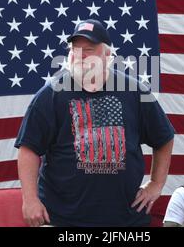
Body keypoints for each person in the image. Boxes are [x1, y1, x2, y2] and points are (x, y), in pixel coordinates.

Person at [15, 19, 175, 227]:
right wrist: (30, 199)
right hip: (64, 219)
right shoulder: (50, 94)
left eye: (89, 49)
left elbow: (163, 137)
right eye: (75, 49)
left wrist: (156, 183)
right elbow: (28, 149)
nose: (81, 56)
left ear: (107, 55)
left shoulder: (135, 91)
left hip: (124, 219)